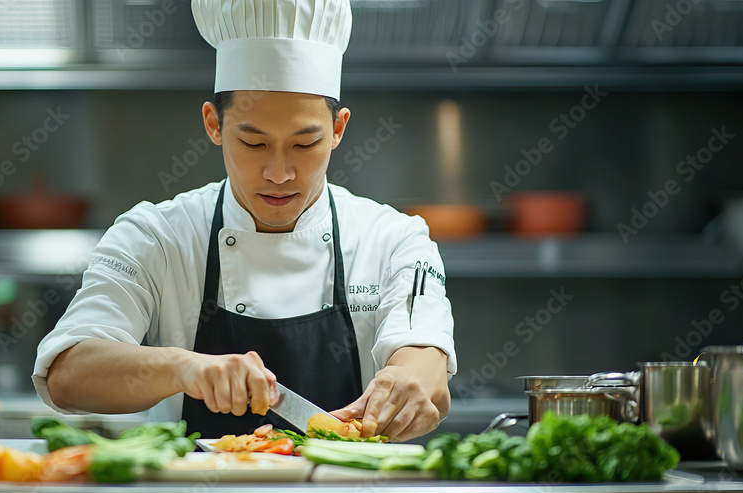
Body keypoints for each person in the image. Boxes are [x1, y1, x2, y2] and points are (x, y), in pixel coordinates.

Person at [33, 0, 456, 443]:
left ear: (338, 129)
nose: (278, 172)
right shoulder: (155, 237)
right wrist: (184, 367)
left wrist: (409, 384)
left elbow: (426, 367)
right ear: (214, 124)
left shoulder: (393, 239)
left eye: (305, 143)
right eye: (252, 143)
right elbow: (67, 373)